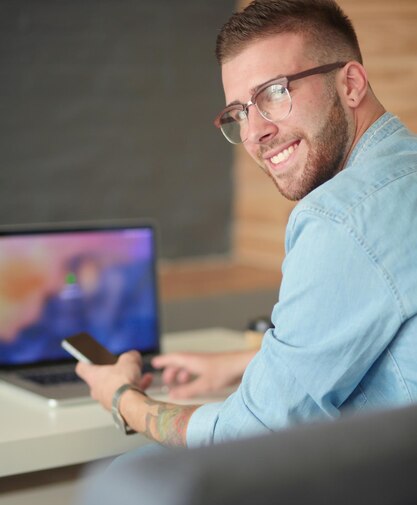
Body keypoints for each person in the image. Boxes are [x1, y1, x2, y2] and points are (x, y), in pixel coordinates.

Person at [77, 0, 417, 448]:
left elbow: (250, 434)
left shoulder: (340, 218)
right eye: (239, 112)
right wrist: (241, 362)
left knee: (127, 475)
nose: (254, 133)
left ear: (351, 83)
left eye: (274, 93)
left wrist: (122, 398)